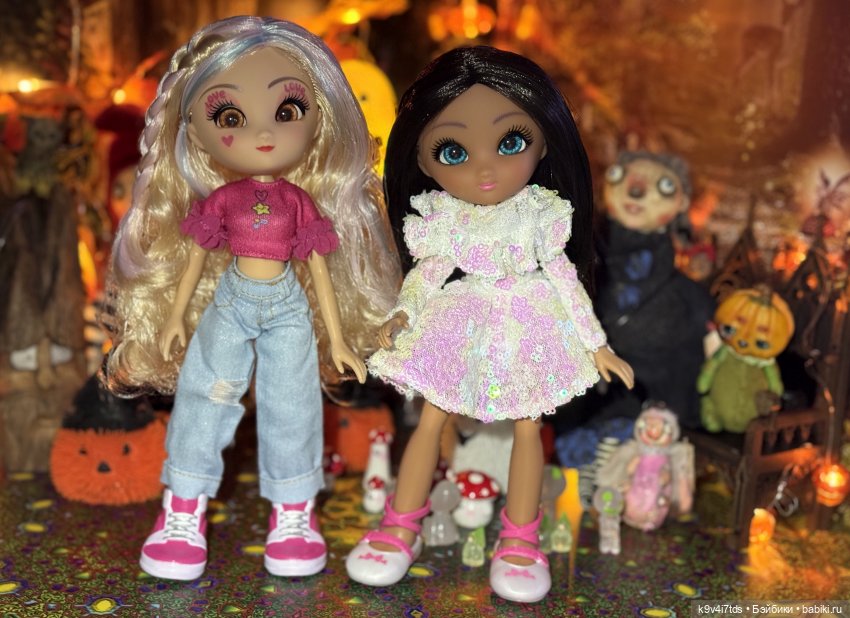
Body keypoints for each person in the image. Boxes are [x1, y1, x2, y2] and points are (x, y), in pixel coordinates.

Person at [102, 16, 400, 581]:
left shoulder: (299, 201)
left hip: (286, 305)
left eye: (287, 111)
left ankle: (293, 512)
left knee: (293, 402)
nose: (263, 132)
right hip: (232, 300)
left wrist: (337, 338)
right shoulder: (222, 199)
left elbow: (318, 266)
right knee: (204, 394)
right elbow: (196, 257)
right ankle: (182, 506)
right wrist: (174, 316)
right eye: (230, 117)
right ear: (194, 128)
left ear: (319, 117)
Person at [344, 45, 633, 603]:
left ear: (544, 140)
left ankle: (521, 537)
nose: (484, 168)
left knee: (529, 424)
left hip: (529, 321)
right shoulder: (445, 218)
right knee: (431, 418)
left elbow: (563, 277)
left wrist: (596, 344)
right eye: (452, 151)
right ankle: (401, 524)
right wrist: (402, 314)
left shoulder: (540, 212)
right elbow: (428, 275)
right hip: (463, 319)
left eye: (511, 142)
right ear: (422, 159)